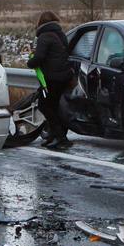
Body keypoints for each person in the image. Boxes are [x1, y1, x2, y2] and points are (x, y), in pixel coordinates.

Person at [28, 10, 74, 150]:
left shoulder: (44, 36)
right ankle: (53, 136)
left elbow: (39, 57)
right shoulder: (60, 34)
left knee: (44, 106)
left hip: (51, 78)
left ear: (41, 23)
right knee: (53, 106)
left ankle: (61, 138)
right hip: (64, 76)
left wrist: (30, 62)